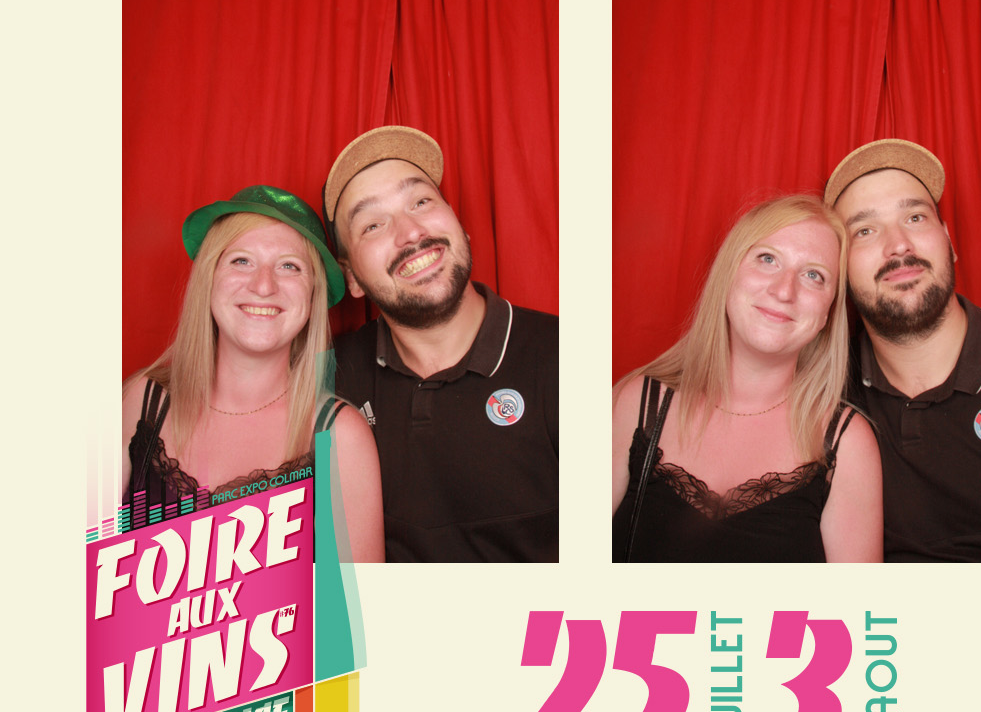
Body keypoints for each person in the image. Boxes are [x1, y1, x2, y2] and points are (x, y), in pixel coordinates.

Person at [323, 125, 559, 562]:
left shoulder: (564, 360)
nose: (411, 233)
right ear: (351, 277)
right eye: (372, 224)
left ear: (461, 227)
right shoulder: (329, 379)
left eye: (421, 202)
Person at [611, 194, 881, 563]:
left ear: (828, 313)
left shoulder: (848, 444)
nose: (784, 291)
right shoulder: (636, 403)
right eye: (767, 259)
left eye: (813, 275)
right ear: (729, 273)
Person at [122, 185, 384, 564]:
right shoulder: (140, 403)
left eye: (289, 266)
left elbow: (352, 600)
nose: (263, 286)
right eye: (242, 261)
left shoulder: (340, 438)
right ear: (209, 278)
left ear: (313, 294)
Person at [825, 138, 981, 563]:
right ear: (838, 268)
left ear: (949, 240)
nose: (898, 245)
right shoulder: (821, 391)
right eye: (865, 230)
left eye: (915, 217)